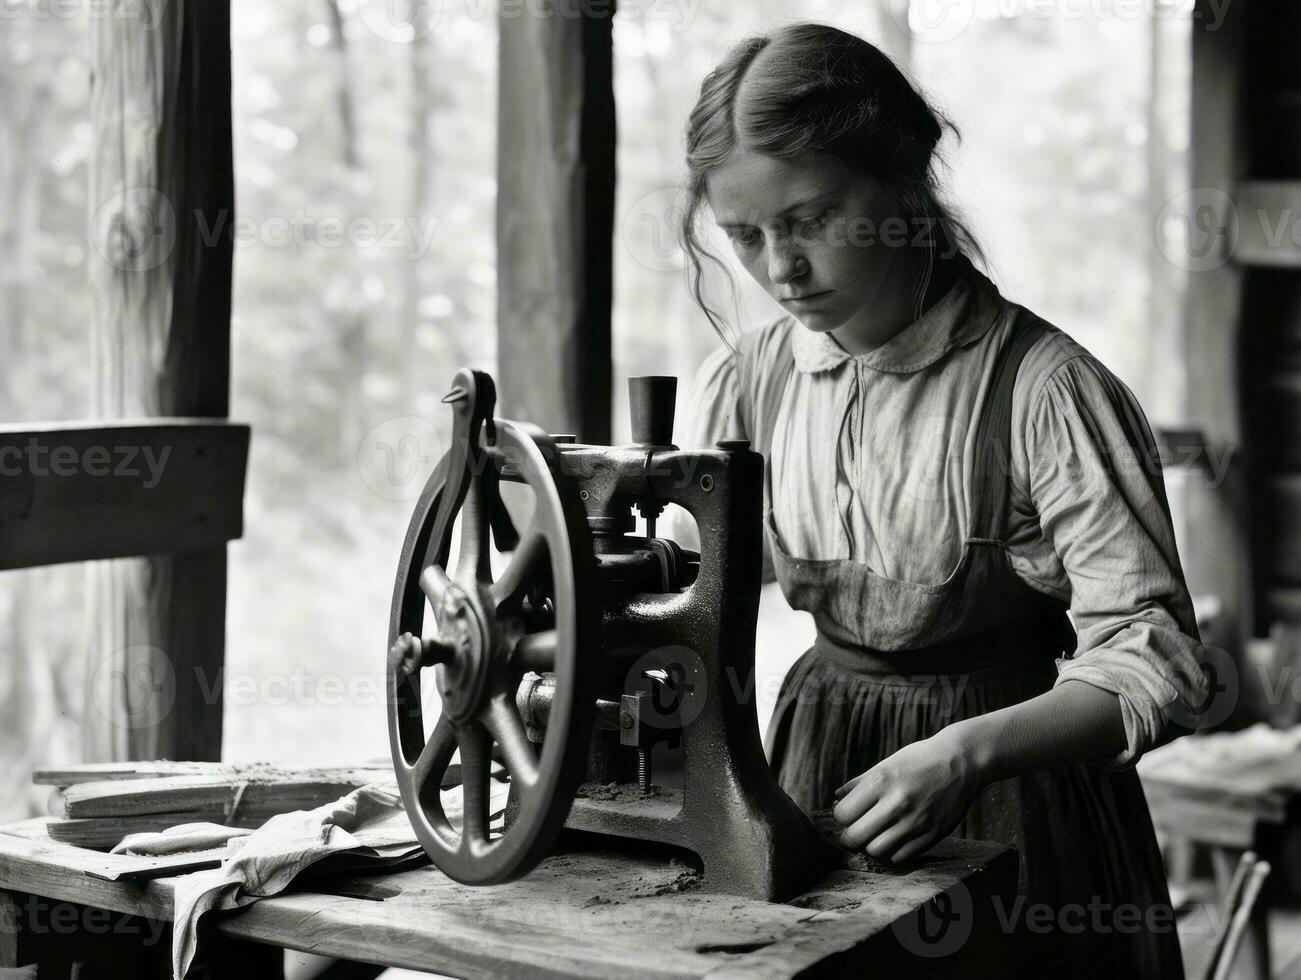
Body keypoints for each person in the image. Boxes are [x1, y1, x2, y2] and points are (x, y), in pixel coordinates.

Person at [676, 23, 1209, 976]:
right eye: (745, 236)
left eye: (809, 218)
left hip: (1017, 803)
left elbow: (1154, 657)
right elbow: (694, 588)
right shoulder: (750, 379)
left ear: (903, 185)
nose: (780, 269)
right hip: (820, 770)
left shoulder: (1043, 392)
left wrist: (967, 756)